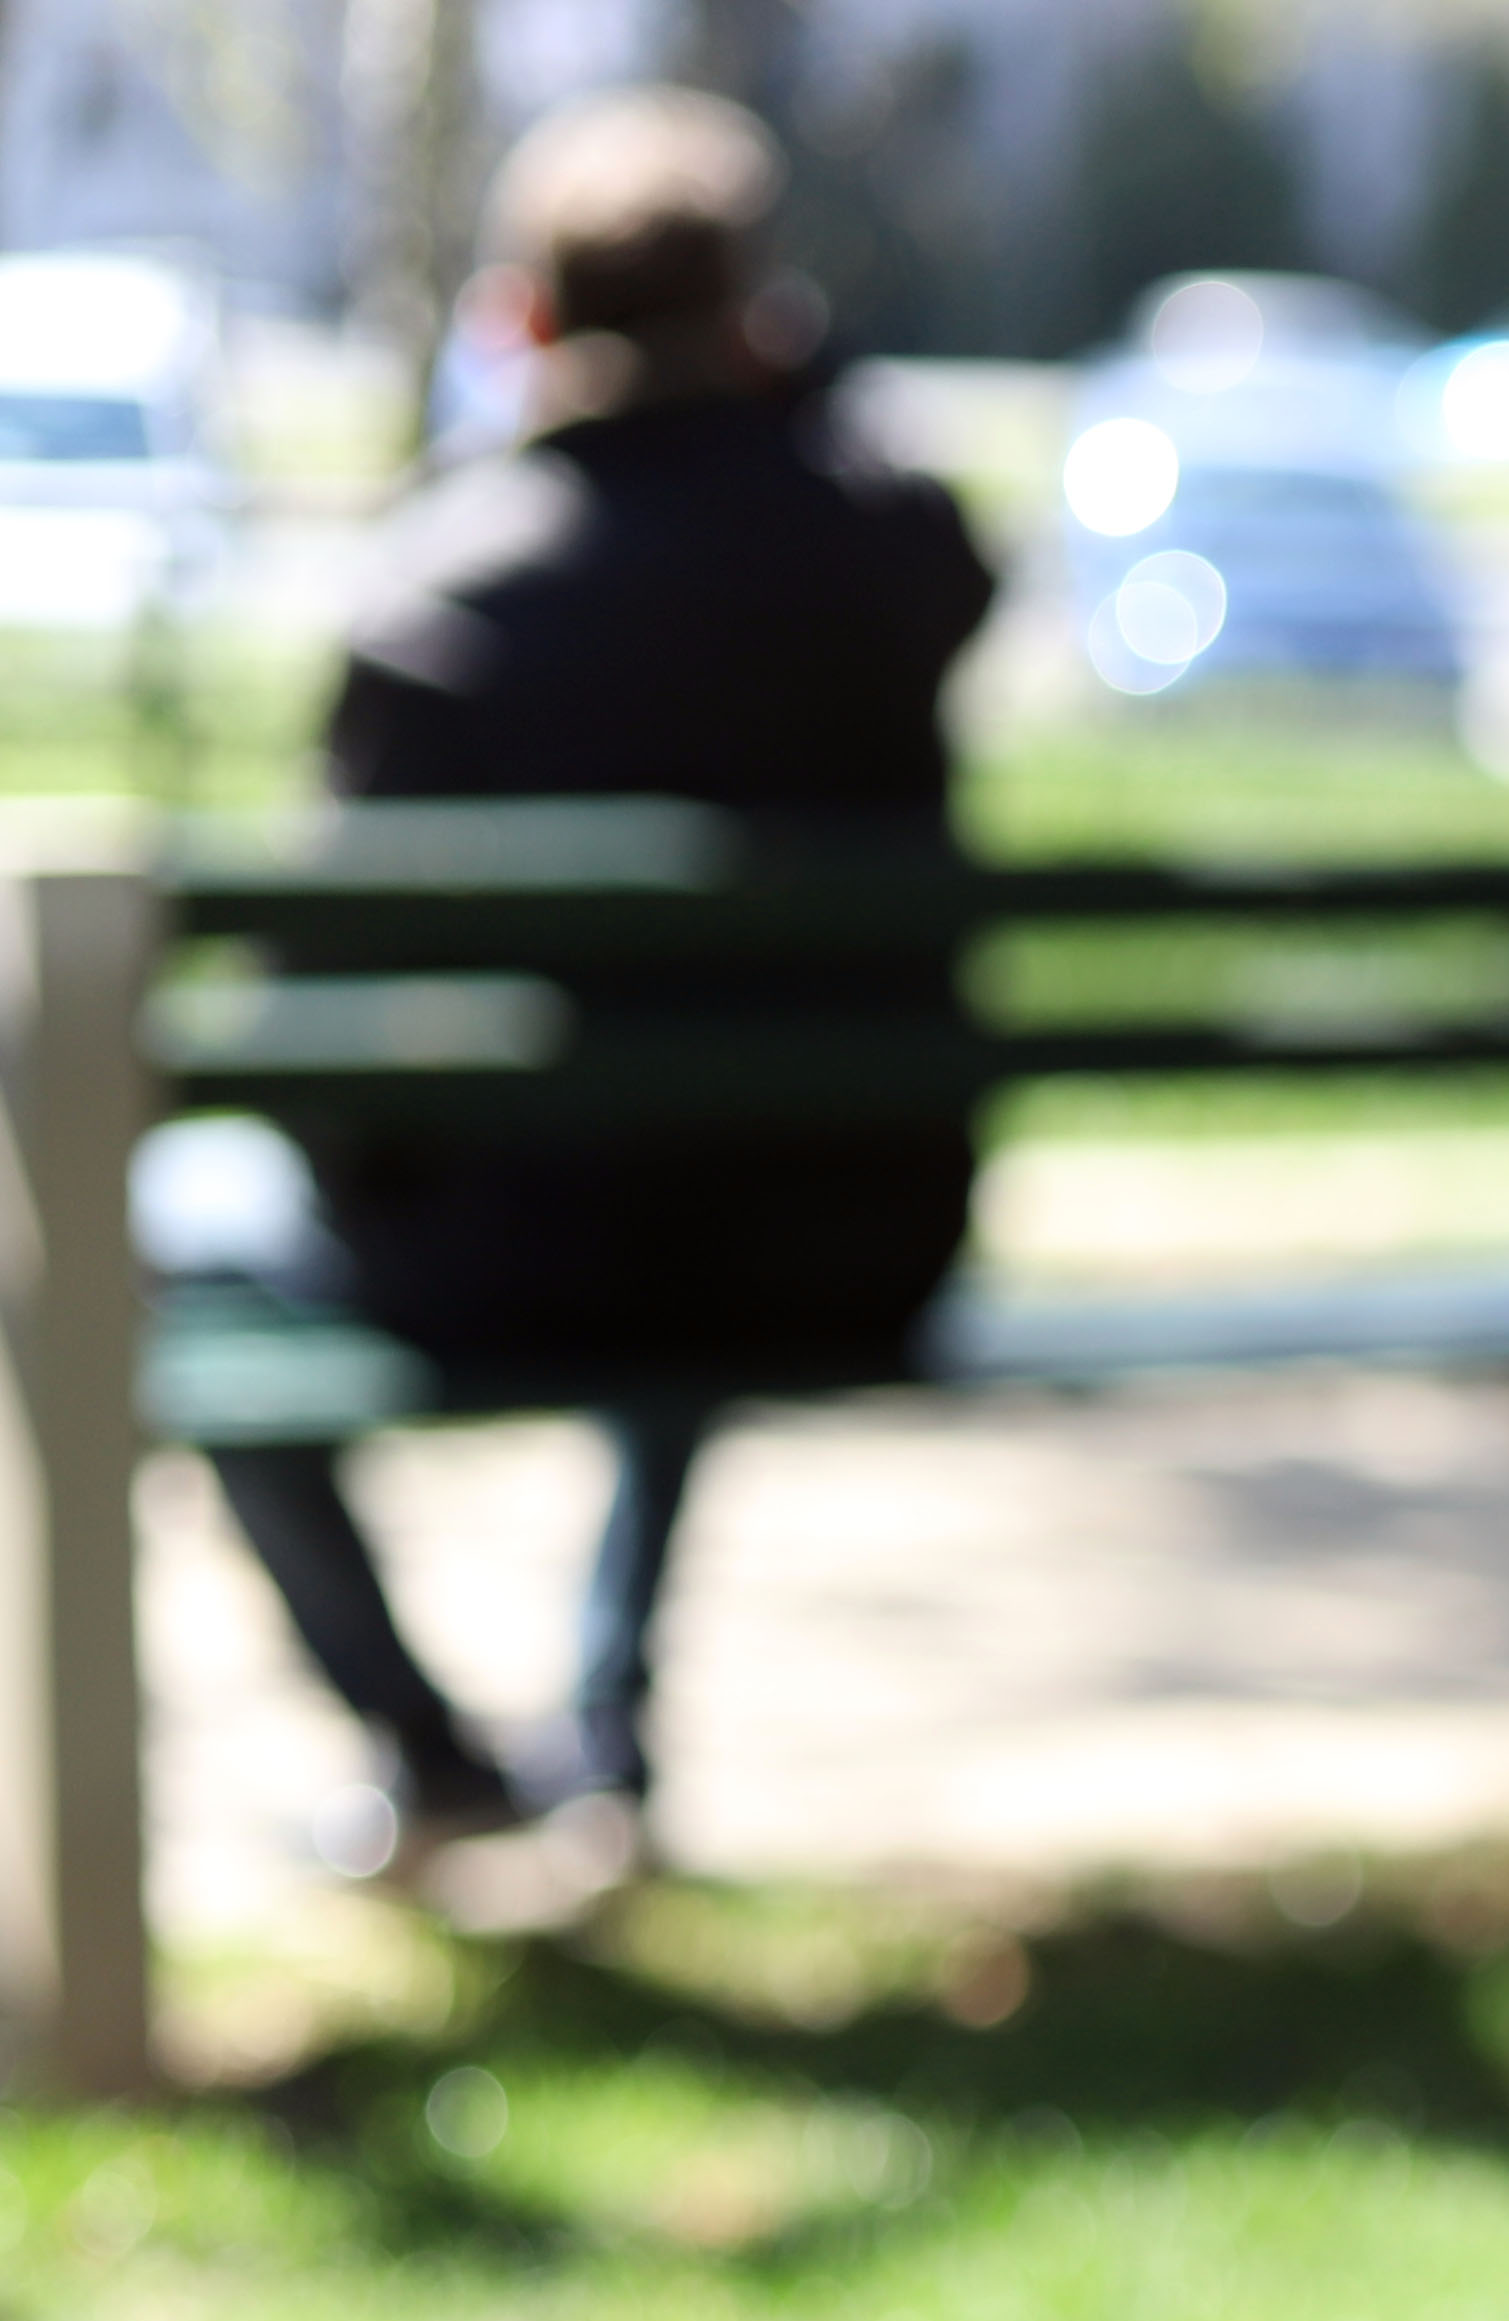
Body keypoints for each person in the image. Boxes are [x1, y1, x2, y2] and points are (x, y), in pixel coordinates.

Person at [218, 83, 994, 1879]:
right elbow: (924, 499)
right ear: (758, 319)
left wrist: (385, 1182)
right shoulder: (887, 556)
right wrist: (801, 372)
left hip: (524, 1254)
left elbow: (307, 1003)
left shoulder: (446, 591)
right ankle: (609, 1733)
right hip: (851, 1240)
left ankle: (427, 1751)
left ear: (525, 321)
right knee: (706, 1160)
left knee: (168, 1253)